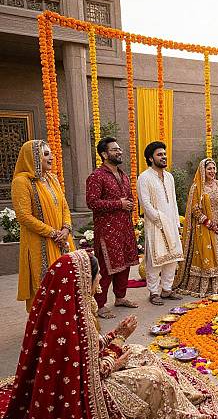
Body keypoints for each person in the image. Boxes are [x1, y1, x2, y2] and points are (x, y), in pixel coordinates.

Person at [1, 250, 218, 419]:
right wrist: (119, 344)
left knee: (142, 352)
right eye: (97, 276)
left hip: (84, 378)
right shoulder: (69, 322)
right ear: (82, 280)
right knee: (153, 377)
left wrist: (115, 335)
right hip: (88, 397)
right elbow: (94, 372)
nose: (100, 281)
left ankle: (178, 398)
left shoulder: (69, 310)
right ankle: (183, 413)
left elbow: (89, 348)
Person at [11, 139, 75, 311]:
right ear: (33, 158)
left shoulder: (52, 179)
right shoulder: (21, 182)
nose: (51, 158)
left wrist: (66, 229)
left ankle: (63, 323)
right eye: (46, 154)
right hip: (40, 243)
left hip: (62, 239)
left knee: (67, 282)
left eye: (51, 153)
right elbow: (24, 216)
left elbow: (64, 207)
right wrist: (53, 233)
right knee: (44, 285)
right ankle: (42, 329)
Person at [86, 136, 139, 318]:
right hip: (107, 230)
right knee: (107, 267)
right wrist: (119, 204)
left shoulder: (123, 175)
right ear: (104, 154)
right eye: (114, 150)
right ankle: (100, 305)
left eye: (119, 149)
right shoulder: (96, 176)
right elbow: (92, 202)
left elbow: (128, 198)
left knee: (124, 265)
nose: (119, 151)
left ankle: (120, 297)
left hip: (125, 227)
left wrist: (129, 204)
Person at [173, 158, 218, 297]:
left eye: (214, 168)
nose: (212, 171)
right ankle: (203, 287)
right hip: (203, 228)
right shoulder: (197, 187)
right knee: (206, 255)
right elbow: (195, 210)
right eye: (209, 168)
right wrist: (209, 224)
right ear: (203, 170)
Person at [137, 141, 184, 305]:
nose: (164, 157)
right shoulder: (144, 177)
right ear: (150, 158)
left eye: (164, 154)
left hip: (171, 222)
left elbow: (174, 201)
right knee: (155, 260)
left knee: (172, 258)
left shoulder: (169, 177)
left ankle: (167, 289)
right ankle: (154, 292)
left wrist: (176, 222)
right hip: (155, 225)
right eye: (160, 154)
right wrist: (159, 220)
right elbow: (145, 203)